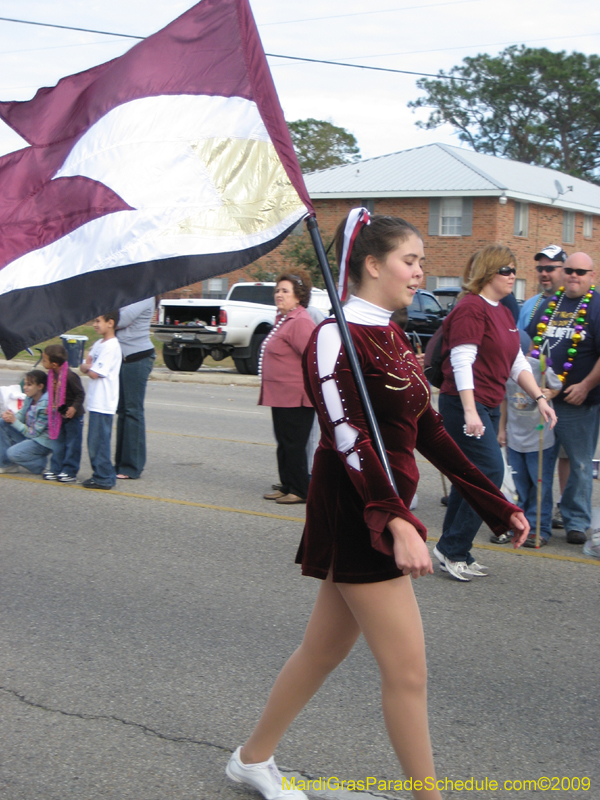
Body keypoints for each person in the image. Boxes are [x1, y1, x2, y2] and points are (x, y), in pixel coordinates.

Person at [226, 211, 531, 800]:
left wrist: (496, 504)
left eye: (419, 261)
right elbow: (347, 436)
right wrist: (396, 519)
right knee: (408, 672)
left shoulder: (392, 333)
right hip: (356, 510)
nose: (421, 272)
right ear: (372, 264)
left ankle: (251, 759)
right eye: (410, 261)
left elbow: (427, 431)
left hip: (380, 506)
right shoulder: (334, 335)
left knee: (323, 649)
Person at [434, 246, 556, 581]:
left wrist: (540, 397)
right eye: (507, 269)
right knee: (488, 470)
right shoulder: (471, 309)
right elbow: (461, 362)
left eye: (514, 270)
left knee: (470, 475)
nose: (513, 276)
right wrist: (471, 412)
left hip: (486, 404)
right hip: (463, 405)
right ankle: (452, 548)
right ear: (488, 272)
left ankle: (455, 548)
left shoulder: (501, 311)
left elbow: (516, 362)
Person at [527, 252, 600, 545]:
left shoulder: (596, 305)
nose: (574, 276)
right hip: (544, 400)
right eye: (569, 270)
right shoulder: (550, 303)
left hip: (577, 403)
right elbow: (533, 341)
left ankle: (576, 521)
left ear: (591, 276)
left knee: (580, 465)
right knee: (540, 463)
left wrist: (585, 385)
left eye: (581, 272)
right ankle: (539, 524)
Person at [259, 269, 316, 505]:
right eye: (277, 290)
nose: (278, 294)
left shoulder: (300, 321)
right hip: (280, 395)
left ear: (298, 295)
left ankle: (300, 489)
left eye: (285, 291)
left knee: (294, 444)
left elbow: (313, 358)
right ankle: (287, 485)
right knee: (284, 443)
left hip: (296, 396)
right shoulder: (283, 319)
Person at [499, 348, 562, 547]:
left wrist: (550, 392)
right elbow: (503, 400)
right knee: (520, 487)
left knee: (540, 486)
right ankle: (520, 525)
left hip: (539, 440)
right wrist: (502, 429)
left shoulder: (539, 367)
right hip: (516, 439)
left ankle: (540, 529)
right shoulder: (503, 369)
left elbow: (558, 385)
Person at [115, 298, 156, 479]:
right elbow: (112, 319)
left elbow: (119, 320)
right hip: (122, 358)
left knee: (133, 411)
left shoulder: (146, 296)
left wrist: (113, 318)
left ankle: (131, 467)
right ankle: (120, 464)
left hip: (138, 358)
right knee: (123, 411)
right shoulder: (128, 297)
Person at [80, 311, 122, 490]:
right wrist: (88, 367)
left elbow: (95, 372)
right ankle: (102, 474)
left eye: (98, 321)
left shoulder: (111, 346)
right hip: (95, 400)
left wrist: (88, 367)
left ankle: (103, 477)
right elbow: (85, 364)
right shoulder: (99, 344)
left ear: (110, 323)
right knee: (93, 441)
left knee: (99, 442)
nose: (95, 325)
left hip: (104, 402)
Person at [41, 344, 86, 483]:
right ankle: (56, 469)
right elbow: (54, 393)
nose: (42, 362)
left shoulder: (70, 376)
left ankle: (70, 471)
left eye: (44, 360)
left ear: (54, 364)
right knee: (58, 443)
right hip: (59, 415)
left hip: (73, 416)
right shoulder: (52, 375)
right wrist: (51, 406)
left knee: (72, 444)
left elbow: (80, 394)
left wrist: (73, 407)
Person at [0, 369, 53, 474]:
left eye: (29, 385)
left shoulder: (45, 405)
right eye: (24, 384)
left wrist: (14, 421)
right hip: (31, 437)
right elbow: (21, 414)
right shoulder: (30, 398)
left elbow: (33, 433)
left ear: (40, 386)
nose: (25, 388)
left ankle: (40, 465)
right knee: (2, 423)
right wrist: (9, 416)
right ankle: (7, 465)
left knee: (12, 453)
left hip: (42, 442)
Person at [518, 245, 567, 331]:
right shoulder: (528, 305)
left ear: (564, 270)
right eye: (540, 269)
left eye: (549, 268)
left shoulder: (575, 303)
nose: (543, 274)